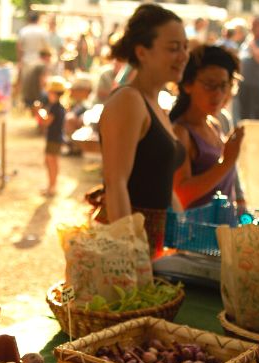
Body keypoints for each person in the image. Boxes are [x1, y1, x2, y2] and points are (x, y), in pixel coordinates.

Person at [99, 3, 188, 257]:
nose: (183, 56)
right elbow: (116, 183)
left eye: (185, 47)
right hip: (128, 250)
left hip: (152, 248)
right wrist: (128, 256)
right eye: (173, 48)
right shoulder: (128, 100)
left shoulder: (155, 103)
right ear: (142, 52)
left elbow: (159, 180)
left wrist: (183, 234)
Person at [170, 45, 246, 210]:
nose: (218, 94)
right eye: (209, 85)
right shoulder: (180, 132)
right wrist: (226, 162)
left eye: (223, 86)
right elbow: (181, 194)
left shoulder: (216, 123)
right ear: (188, 85)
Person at [38, 76, 67, 196]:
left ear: (54, 93)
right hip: (55, 138)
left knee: (51, 163)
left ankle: (52, 187)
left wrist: (39, 113)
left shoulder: (55, 108)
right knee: (50, 162)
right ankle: (51, 186)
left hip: (54, 139)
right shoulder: (58, 107)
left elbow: (46, 122)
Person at [17, 11, 50, 108]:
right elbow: (46, 48)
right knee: (38, 85)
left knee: (27, 85)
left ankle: (28, 104)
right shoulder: (42, 31)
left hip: (26, 60)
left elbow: (19, 47)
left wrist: (20, 61)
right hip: (39, 61)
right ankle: (37, 104)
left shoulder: (24, 31)